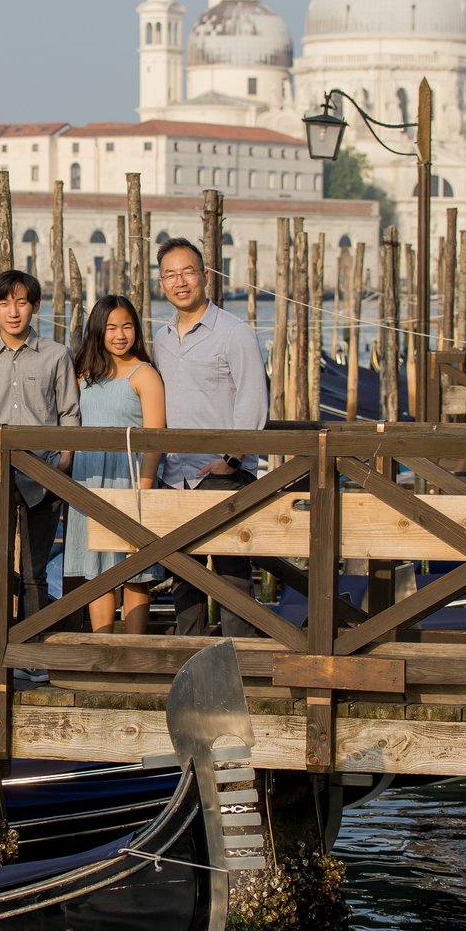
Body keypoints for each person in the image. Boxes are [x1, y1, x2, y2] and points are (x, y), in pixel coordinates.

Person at [152, 238, 269, 637]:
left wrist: (232, 459)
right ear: (161, 284)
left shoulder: (235, 333)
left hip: (221, 472)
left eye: (187, 272)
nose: (180, 282)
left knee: (232, 575)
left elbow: (253, 400)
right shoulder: (162, 337)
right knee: (183, 575)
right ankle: (191, 654)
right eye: (170, 275)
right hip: (175, 474)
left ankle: (241, 658)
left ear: (204, 276)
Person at [0, 269, 79, 618]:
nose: (14, 312)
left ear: (35, 306)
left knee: (36, 573)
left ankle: (32, 645)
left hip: (44, 476)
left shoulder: (57, 355)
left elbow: (69, 412)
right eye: (4, 304)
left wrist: (64, 460)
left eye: (21, 303)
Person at [63, 295, 165, 634]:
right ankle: (103, 645)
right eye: (111, 328)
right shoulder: (83, 373)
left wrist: (144, 489)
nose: (120, 335)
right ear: (98, 330)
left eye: (127, 326)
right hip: (90, 478)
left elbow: (155, 438)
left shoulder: (144, 374)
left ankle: (134, 647)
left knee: (135, 569)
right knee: (97, 570)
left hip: (129, 477)